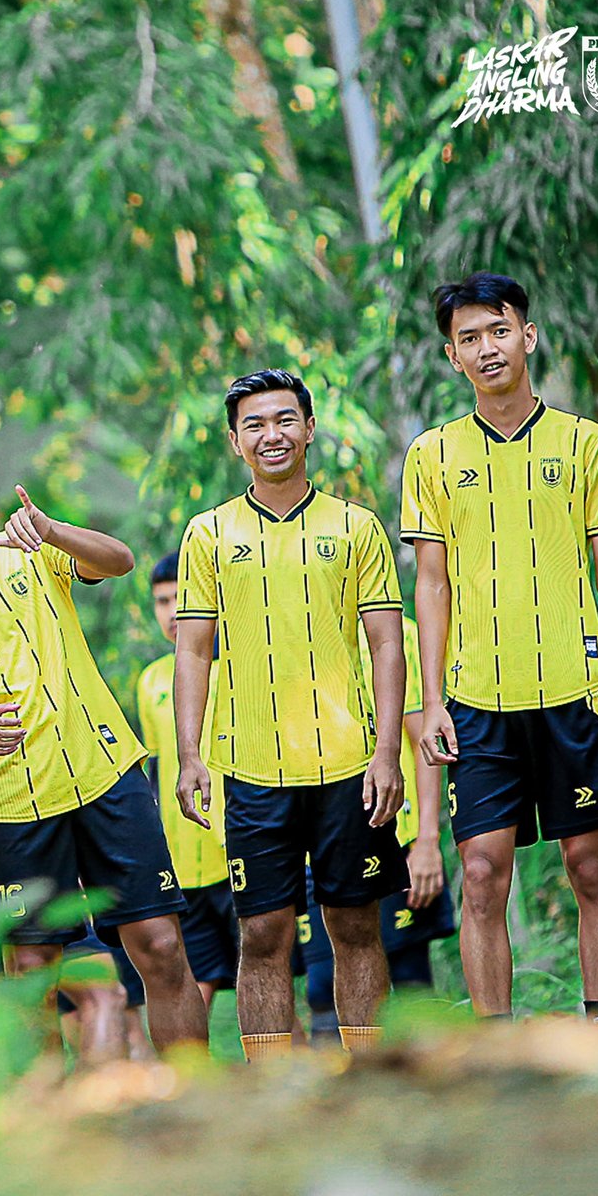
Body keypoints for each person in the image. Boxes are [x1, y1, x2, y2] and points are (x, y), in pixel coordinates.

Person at [0, 450, 209, 1055]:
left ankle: (194, 1097)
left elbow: (121, 561)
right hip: (10, 807)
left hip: (106, 776)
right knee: (32, 972)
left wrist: (51, 528)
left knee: (161, 947)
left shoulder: (25, 553)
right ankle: (49, 1126)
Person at [401, 271, 598, 1021]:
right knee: (481, 871)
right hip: (477, 700)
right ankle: (496, 1049)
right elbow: (432, 586)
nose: (487, 349)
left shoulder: (584, 444)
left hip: (572, 693)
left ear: (528, 336)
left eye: (498, 331)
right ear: (452, 356)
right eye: (469, 339)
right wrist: (432, 700)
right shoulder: (433, 455)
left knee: (591, 868)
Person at [174, 369, 409, 1060]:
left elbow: (388, 642)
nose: (270, 434)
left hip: (348, 766)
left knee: (355, 924)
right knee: (263, 932)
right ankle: (272, 1083)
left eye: (284, 420)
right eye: (254, 424)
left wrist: (387, 752)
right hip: (251, 769)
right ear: (234, 441)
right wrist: (190, 756)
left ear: (309, 429)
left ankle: (370, 1072)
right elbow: (193, 652)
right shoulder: (209, 533)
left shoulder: (355, 526)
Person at [303, 616, 456, 1042]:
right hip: (320, 840)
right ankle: (344, 1096)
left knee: (407, 977)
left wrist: (427, 841)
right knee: (321, 984)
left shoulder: (399, 633)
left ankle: (431, 1090)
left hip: (393, 835)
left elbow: (421, 741)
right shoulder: (298, 625)